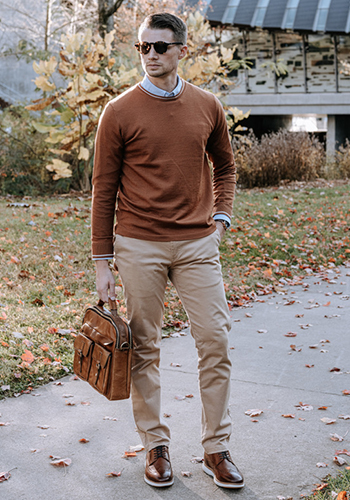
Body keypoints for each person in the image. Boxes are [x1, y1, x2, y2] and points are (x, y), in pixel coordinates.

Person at [91, 12, 244, 490]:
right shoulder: (117, 111)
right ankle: (155, 445)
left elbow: (226, 167)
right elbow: (103, 189)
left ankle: (216, 448)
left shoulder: (208, 105)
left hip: (199, 244)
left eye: (160, 47)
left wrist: (220, 219)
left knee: (215, 342)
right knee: (144, 348)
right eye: (143, 48)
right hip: (139, 245)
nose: (151, 56)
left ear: (182, 49)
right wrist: (102, 261)